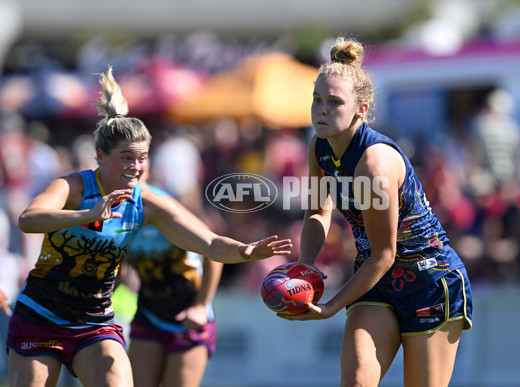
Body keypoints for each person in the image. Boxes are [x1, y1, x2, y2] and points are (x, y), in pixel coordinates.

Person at [5, 66, 292, 387]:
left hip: (94, 321)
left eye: (142, 158)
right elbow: (28, 219)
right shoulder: (71, 187)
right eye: (127, 157)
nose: (136, 167)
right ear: (100, 156)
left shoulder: (150, 203)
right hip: (41, 315)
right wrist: (85, 215)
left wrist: (245, 251)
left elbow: (209, 245)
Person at [279, 37, 473, 387]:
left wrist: (331, 306)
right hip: (377, 281)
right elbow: (316, 214)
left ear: (362, 110)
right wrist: (305, 268)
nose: (322, 109)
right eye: (317, 100)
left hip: (429, 280)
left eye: (334, 102)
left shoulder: (374, 163)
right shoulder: (319, 147)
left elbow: (385, 253)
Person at [123, 169, 223, 387]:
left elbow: (214, 251)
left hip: (188, 318)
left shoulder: (164, 207)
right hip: (148, 314)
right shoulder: (113, 214)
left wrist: (201, 305)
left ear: (147, 169)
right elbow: (118, 265)